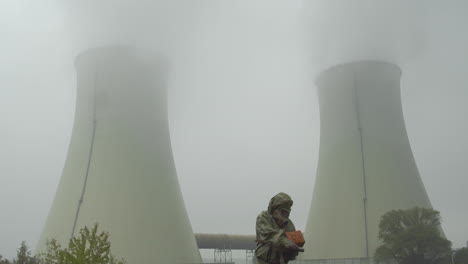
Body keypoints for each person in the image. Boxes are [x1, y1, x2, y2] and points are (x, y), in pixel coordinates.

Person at [255, 192, 300, 264]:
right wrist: (283, 241)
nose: (284, 215)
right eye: (282, 211)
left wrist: (295, 245)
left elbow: (294, 239)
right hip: (265, 260)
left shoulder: (288, 223)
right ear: (274, 209)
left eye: (286, 212)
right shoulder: (263, 217)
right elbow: (268, 235)